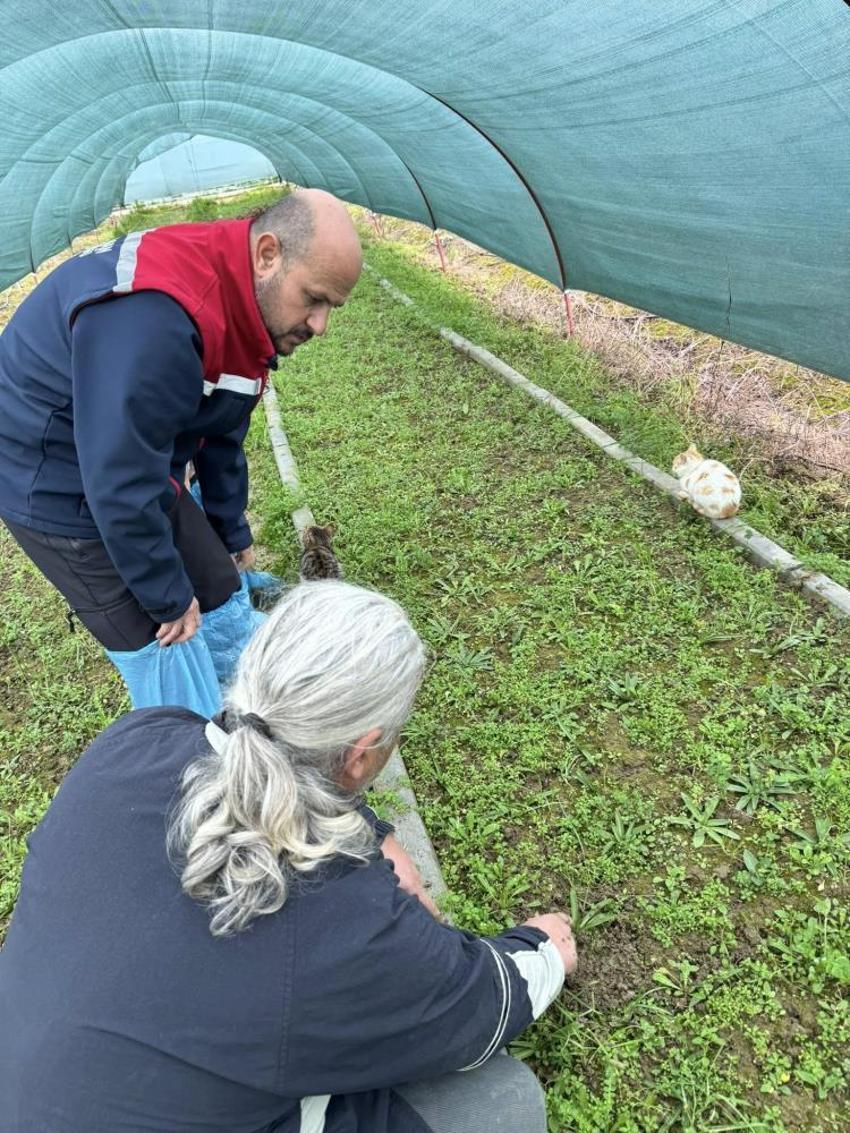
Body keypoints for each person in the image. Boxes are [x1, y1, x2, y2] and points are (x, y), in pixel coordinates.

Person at [0, 581, 577, 1133]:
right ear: (361, 754)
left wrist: (374, 834)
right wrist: (544, 946)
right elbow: (478, 1005)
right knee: (499, 1101)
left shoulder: (136, 738)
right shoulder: (346, 919)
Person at [0, 188, 362, 704]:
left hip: (125, 449)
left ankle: (245, 684)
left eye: (333, 306)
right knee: (162, 639)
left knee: (216, 583)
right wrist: (167, 597)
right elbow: (120, 481)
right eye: (314, 298)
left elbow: (222, 424)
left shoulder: (241, 296)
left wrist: (228, 527)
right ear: (267, 254)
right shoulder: (159, 321)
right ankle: (195, 740)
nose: (321, 325)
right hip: (51, 473)